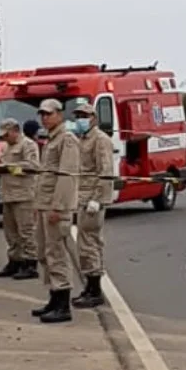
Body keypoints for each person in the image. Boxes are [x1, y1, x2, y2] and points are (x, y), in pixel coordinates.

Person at [32, 98, 80, 323]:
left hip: (55, 207)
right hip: (44, 205)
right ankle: (53, 297)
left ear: (60, 115)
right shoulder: (50, 140)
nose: (44, 117)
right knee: (44, 253)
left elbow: (66, 177)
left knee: (57, 254)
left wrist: (58, 207)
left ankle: (63, 304)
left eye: (49, 113)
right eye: (42, 114)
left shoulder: (66, 140)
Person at [72, 102, 115, 308]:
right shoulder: (81, 139)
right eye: (78, 115)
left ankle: (95, 289)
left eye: (84, 115)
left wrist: (97, 199)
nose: (80, 119)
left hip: (92, 199)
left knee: (90, 243)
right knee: (84, 244)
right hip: (82, 197)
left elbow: (106, 171)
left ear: (93, 118)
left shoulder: (100, 140)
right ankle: (90, 286)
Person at [0, 118, 40, 281]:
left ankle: (30, 263)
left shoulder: (28, 145)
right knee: (10, 232)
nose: (4, 138)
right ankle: (15, 261)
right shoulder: (5, 146)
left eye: (7, 134)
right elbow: (0, 162)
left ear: (15, 130)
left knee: (26, 231)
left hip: (23, 195)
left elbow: (33, 166)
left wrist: (11, 168)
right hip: (7, 194)